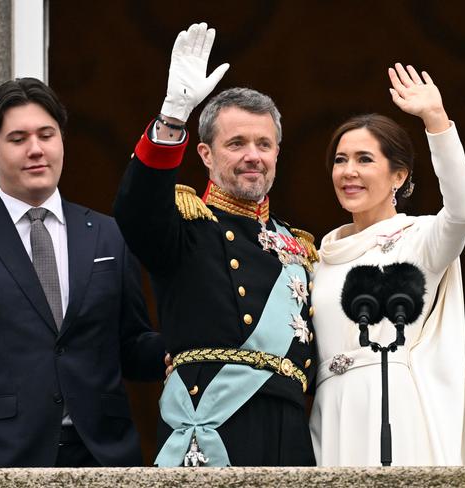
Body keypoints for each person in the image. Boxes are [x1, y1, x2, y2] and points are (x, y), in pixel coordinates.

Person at [0, 78, 166, 468]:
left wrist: (185, 343)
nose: (35, 149)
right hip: (1, 458)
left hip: (103, 457)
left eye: (47, 135)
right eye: (17, 139)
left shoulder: (110, 236)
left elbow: (130, 346)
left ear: (62, 141)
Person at [114, 23, 318, 467]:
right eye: (237, 143)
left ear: (277, 154)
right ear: (206, 155)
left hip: (288, 434)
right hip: (212, 425)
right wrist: (172, 117)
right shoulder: (185, 226)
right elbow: (135, 209)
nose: (253, 155)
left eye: (264, 144)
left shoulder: (298, 247)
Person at [309, 63, 465, 466]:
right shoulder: (319, 255)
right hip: (330, 410)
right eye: (340, 160)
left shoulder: (421, 240)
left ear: (398, 175)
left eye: (365, 159)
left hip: (394, 407)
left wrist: (436, 121)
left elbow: (464, 213)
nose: (348, 171)